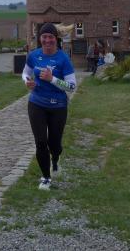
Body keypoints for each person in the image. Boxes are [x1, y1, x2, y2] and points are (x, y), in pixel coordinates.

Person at [22, 22, 76, 191]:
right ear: (40, 38)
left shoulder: (63, 59)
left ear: (56, 38)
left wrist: (52, 79)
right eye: (44, 37)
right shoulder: (34, 55)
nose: (47, 40)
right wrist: (27, 81)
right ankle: (46, 177)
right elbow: (25, 73)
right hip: (37, 103)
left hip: (58, 106)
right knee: (40, 142)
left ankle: (55, 158)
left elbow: (72, 86)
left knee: (55, 144)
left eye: (50, 37)